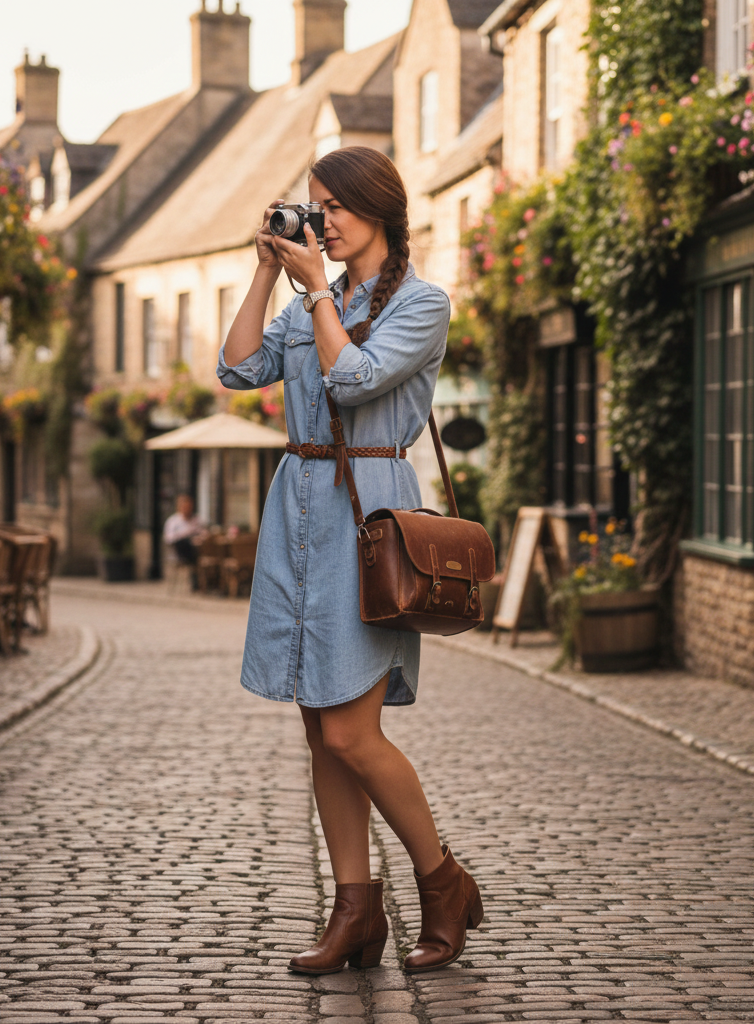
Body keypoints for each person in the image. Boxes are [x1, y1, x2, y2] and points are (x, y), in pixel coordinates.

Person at [217, 146, 482, 975]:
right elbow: (236, 368)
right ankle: (356, 910)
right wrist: (268, 271)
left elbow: (356, 379)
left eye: (332, 207)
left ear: (378, 210)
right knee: (319, 731)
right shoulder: (307, 300)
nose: (319, 222)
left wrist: (317, 293)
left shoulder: (421, 303)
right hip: (294, 506)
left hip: (366, 516)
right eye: (312, 207)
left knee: (351, 731)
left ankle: (442, 882)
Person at [163, 493, 205, 568]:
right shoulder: (173, 521)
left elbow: (203, 532)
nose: (187, 509)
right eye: (184, 506)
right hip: (180, 549)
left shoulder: (196, 520)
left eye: (189, 507)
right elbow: (169, 538)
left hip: (196, 547)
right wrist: (184, 534)